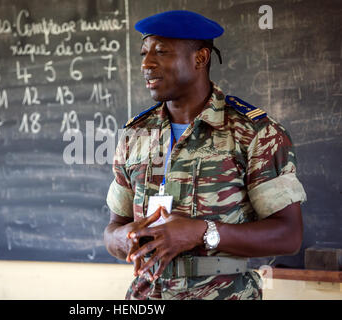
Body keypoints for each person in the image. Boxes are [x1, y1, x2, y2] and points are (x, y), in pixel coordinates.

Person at [103, 10, 307, 300]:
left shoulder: (254, 133)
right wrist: (122, 239)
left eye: (161, 52)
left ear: (200, 58)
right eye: (143, 53)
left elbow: (289, 235)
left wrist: (202, 232)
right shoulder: (135, 134)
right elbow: (113, 228)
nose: (146, 64)